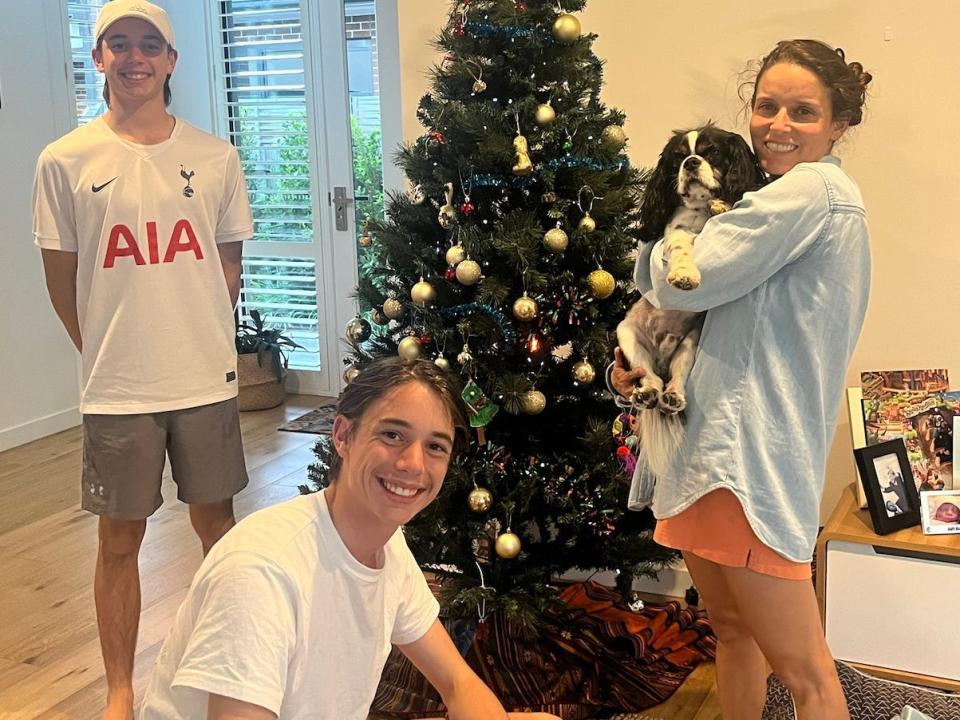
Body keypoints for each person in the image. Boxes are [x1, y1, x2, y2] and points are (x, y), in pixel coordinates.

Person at [611, 39, 873, 720]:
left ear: (839, 124)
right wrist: (645, 362)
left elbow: (679, 275)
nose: (778, 125)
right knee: (732, 631)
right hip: (709, 450)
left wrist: (657, 236)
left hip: (741, 461)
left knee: (809, 673)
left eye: (804, 112)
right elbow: (701, 311)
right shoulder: (781, 196)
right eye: (767, 106)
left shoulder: (810, 192)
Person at [32, 2, 253, 717]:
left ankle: (233, 670)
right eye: (118, 44)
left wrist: (192, 333)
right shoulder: (64, 161)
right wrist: (109, 349)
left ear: (170, 61)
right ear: (97, 58)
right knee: (119, 538)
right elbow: (64, 284)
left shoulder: (216, 157)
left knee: (216, 526)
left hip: (204, 379)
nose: (134, 58)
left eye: (148, 45)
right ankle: (120, 691)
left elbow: (227, 268)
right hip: (118, 389)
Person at [140, 357, 560, 720]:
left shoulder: (387, 544)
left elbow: (455, 682)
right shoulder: (262, 572)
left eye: (435, 446)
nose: (413, 464)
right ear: (342, 435)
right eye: (392, 434)